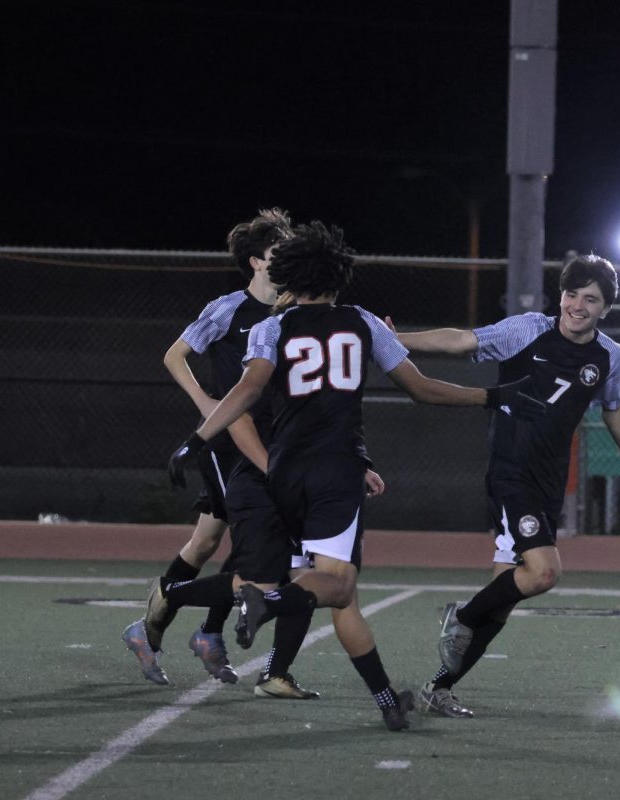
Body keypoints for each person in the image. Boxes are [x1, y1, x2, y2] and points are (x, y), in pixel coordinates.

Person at [168, 220, 545, 732]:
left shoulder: (269, 328)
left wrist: (195, 440)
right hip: (337, 472)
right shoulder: (363, 322)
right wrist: (490, 396)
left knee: (329, 585)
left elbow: (247, 391)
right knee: (338, 586)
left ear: (287, 274)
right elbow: (421, 387)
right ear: (338, 272)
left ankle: (388, 700)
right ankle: (267, 602)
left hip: (282, 471)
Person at [391, 254, 620, 719]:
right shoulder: (528, 329)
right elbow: (461, 341)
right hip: (511, 474)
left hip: (547, 481)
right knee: (543, 572)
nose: (577, 305)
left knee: (505, 594)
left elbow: (613, 406)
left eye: (590, 299)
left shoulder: (608, 354)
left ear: (606, 308)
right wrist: (397, 340)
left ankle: (440, 687)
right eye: (571, 294)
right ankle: (463, 616)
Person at [121, 208, 293, 686]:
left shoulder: (289, 313)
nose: (287, 260)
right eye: (279, 252)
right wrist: (204, 402)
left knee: (206, 542)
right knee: (240, 536)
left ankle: (158, 629)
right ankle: (198, 631)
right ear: (258, 261)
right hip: (225, 441)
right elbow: (175, 354)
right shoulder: (227, 309)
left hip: (266, 439)